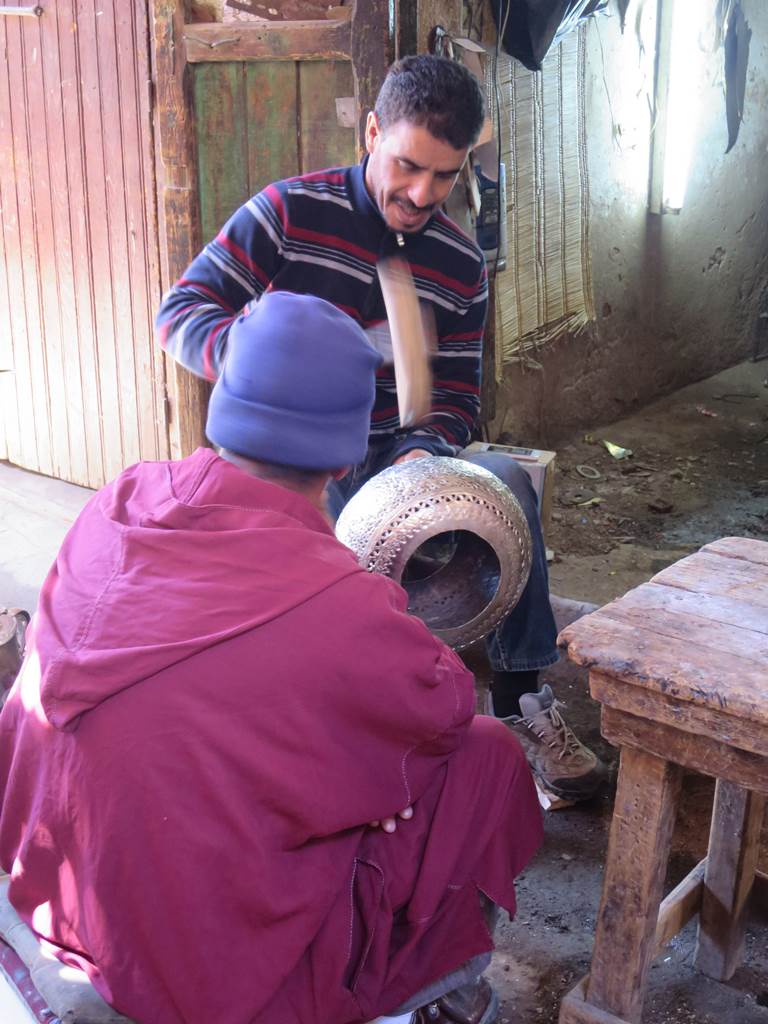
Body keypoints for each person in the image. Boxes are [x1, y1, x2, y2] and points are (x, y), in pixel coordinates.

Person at [0, 293, 542, 1024]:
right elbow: (442, 709)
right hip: (196, 970)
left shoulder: (121, 500)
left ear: (222, 406)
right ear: (349, 456)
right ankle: (417, 990)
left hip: (58, 892)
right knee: (486, 755)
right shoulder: (341, 602)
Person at [155, 54, 606, 802]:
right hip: (287, 453)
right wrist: (266, 358)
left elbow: (458, 397)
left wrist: (423, 452)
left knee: (505, 490)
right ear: (371, 132)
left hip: (398, 454)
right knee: (330, 568)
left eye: (445, 178)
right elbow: (182, 313)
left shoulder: (459, 263)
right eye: (407, 166)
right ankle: (333, 731)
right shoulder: (288, 214)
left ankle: (520, 700)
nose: (422, 194)